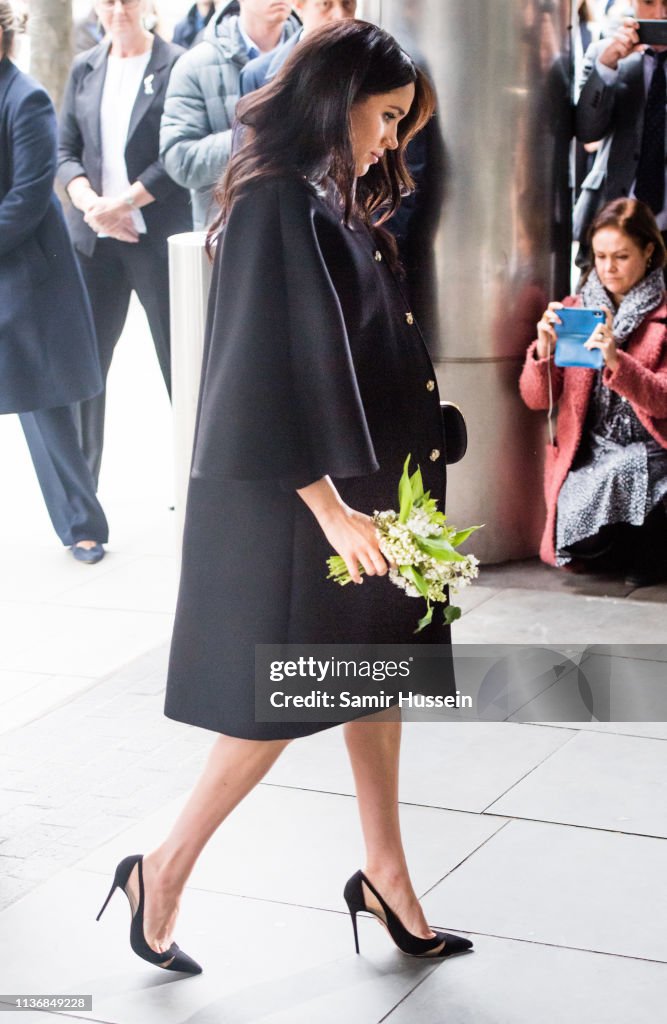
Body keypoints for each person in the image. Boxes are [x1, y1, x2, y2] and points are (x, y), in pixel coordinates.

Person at [95, 20, 473, 973]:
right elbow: (259, 376)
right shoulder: (275, 201)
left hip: (365, 495)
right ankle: (163, 870)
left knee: (372, 674)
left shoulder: (325, 198)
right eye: (385, 116)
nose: (391, 140)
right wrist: (334, 511)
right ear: (334, 95)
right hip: (308, 505)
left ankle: (385, 872)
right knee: (280, 703)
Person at [57, 0, 192, 488]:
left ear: (147, 6)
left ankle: (199, 487)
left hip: (154, 236)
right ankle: (81, 500)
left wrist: (126, 203)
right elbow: (65, 149)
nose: (118, 9)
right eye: (108, 0)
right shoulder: (84, 67)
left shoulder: (177, 63)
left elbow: (176, 151)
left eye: (127, 0)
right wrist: (93, 204)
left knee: (181, 363)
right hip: (95, 243)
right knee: (86, 370)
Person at [0, 1, 109, 564]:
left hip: (23, 278)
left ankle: (82, 524)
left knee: (43, 406)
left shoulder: (27, 99)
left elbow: (27, 195)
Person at [519, 198, 667, 586]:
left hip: (655, 448)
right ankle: (639, 546)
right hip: (592, 453)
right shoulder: (576, 310)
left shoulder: (663, 318)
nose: (608, 268)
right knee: (580, 540)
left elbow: (664, 399)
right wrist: (544, 351)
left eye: (621, 256)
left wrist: (618, 362)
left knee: (635, 469)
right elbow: (536, 399)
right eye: (600, 256)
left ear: (648, 251)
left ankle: (648, 548)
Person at [159, 0, 301, 230]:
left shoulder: (315, 59)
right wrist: (252, 136)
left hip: (303, 227)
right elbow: (180, 160)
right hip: (229, 234)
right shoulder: (195, 64)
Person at [574, 1, 667, 259]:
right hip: (613, 224)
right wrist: (606, 67)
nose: (661, 14)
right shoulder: (605, 54)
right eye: (650, 2)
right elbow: (587, 131)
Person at [240, 0, 356, 94]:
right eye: (325, 4)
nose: (339, 15)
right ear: (299, 5)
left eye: (347, 3)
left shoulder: (368, 64)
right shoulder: (257, 74)